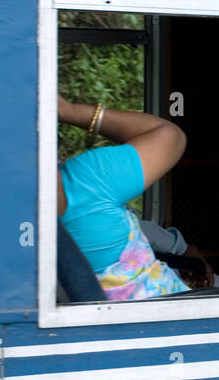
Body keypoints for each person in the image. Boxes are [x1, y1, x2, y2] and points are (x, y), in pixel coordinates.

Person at [56, 95, 193, 300]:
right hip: (182, 318)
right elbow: (169, 136)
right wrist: (69, 111)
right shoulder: (87, 182)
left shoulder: (5, 226)